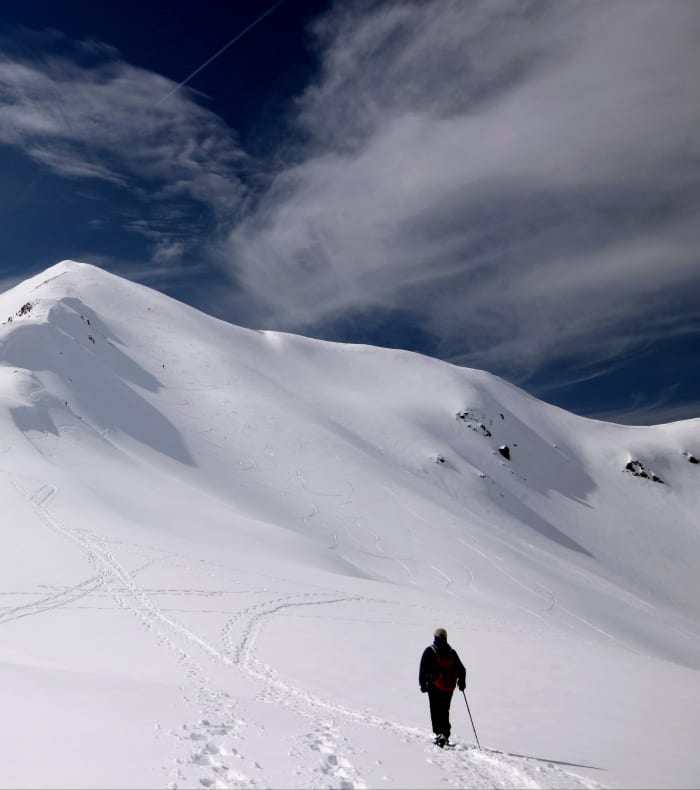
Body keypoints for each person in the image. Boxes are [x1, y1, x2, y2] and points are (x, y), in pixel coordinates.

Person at [419, 627, 466, 747]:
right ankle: (445, 734)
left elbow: (423, 668)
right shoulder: (452, 652)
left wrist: (422, 684)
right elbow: (462, 669)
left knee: (435, 709)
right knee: (445, 709)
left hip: (434, 685)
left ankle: (440, 734)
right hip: (448, 687)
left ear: (435, 637)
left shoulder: (430, 650)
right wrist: (462, 683)